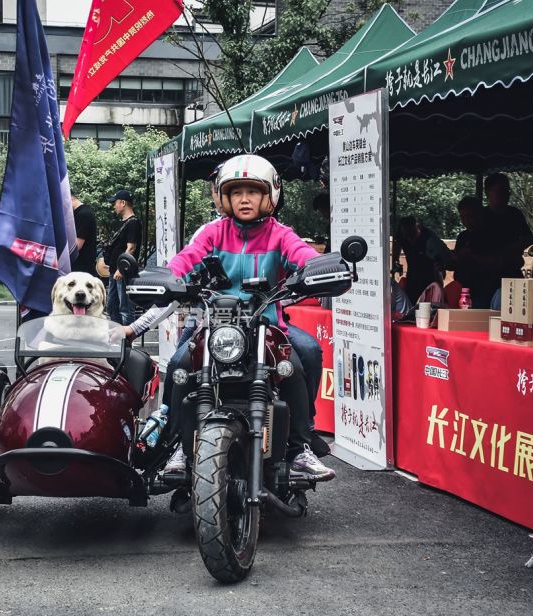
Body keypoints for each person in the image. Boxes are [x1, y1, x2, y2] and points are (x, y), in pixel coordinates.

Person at [127, 154, 336, 481]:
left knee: (301, 358)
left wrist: (318, 268)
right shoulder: (212, 233)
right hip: (216, 324)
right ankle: (182, 445)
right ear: (223, 197)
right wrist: (168, 277)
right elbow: (186, 260)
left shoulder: (281, 235)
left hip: (266, 324)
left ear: (270, 195)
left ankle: (299, 447)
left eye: (252, 192)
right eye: (236, 192)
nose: (244, 199)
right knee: (182, 366)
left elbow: (304, 256)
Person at [449, 196, 502, 309]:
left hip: (485, 292)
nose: (467, 220)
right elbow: (456, 263)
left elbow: (497, 261)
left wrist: (471, 256)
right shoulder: (463, 237)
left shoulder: (491, 235)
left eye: (470, 216)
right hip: (463, 291)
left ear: (479, 214)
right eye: (463, 217)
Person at [482, 173, 533, 280]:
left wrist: (512, 248)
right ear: (487, 192)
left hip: (511, 272)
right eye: (500, 191)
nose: (505, 195)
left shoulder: (515, 214)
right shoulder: (481, 216)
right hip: (485, 275)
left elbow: (529, 238)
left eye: (507, 191)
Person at [104, 189, 141, 325]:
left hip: (124, 271)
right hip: (114, 270)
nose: (114, 205)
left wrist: (121, 268)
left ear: (123, 203)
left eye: (116, 202)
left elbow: (131, 247)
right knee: (111, 305)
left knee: (125, 307)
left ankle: (126, 342)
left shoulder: (133, 223)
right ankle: (117, 336)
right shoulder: (124, 222)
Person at [392, 216, 450, 303]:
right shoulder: (402, 235)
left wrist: (442, 265)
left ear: (418, 228)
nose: (409, 239)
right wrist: (395, 259)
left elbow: (446, 256)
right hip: (412, 275)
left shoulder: (431, 239)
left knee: (431, 304)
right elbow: (397, 242)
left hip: (431, 276)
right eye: (406, 236)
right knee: (411, 303)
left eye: (412, 235)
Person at [70, 194, 97, 277]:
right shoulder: (77, 213)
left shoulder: (83, 214)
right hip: (78, 266)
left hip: (82, 268)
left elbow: (77, 245)